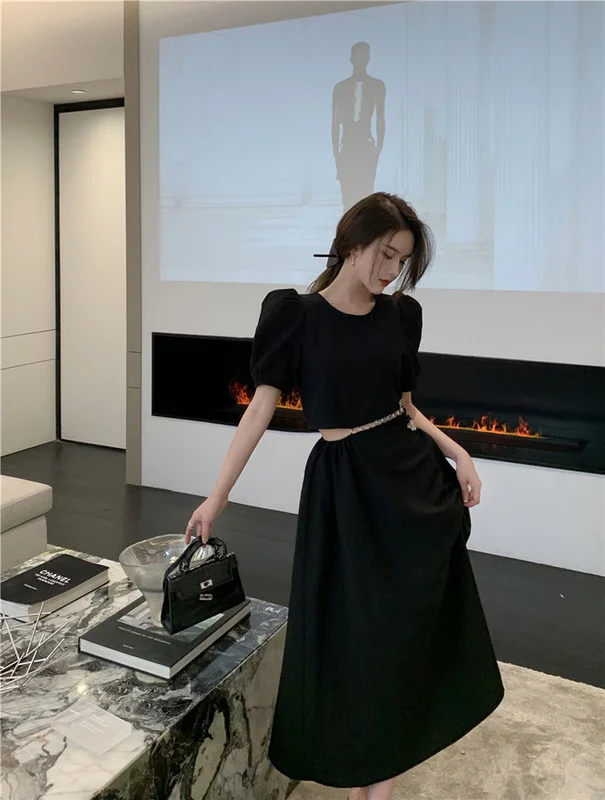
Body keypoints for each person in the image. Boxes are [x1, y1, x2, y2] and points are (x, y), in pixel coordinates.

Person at [185, 192, 505, 800]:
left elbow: (406, 408)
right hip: (345, 488)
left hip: (408, 483)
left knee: (403, 630)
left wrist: (458, 452)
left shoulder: (400, 316)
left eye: (402, 260)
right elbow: (259, 409)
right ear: (352, 244)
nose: (392, 270)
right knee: (357, 634)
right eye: (386, 254)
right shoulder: (295, 315)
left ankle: (377, 785)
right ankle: (366, 767)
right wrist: (216, 498)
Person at [332, 42, 386, 212]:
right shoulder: (340, 88)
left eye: (363, 57)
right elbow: (335, 124)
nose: (360, 61)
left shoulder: (377, 86)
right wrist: (337, 155)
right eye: (357, 57)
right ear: (351, 59)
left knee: (365, 196)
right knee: (347, 198)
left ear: (368, 59)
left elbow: (380, 119)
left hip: (366, 147)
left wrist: (377, 150)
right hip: (347, 147)